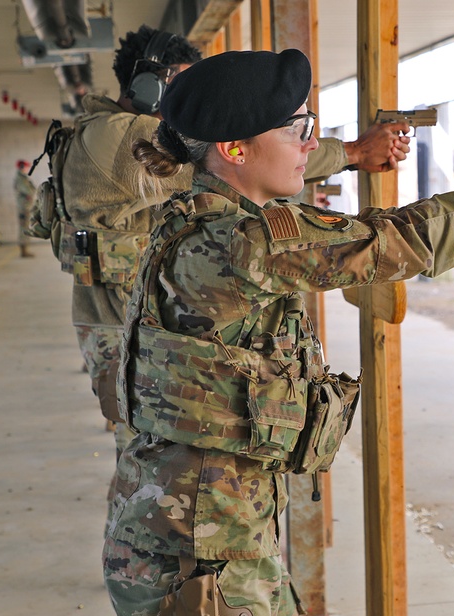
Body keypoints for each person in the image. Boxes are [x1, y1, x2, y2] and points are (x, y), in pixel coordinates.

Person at [105, 49, 454, 616]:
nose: (312, 143)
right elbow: (396, 242)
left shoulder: (188, 223)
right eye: (297, 128)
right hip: (205, 549)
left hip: (178, 528)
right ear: (236, 151)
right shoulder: (240, 242)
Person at [56, 25, 411, 506]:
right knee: (152, 449)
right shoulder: (115, 137)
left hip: (127, 311)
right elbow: (218, 154)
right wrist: (350, 153)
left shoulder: (100, 131)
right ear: (147, 86)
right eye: (180, 86)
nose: (191, 106)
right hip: (121, 321)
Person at [13, 159, 36, 258]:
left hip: (25, 206)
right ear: (22, 167)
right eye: (26, 166)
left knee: (25, 227)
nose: (28, 168)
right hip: (23, 207)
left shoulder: (23, 178)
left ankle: (25, 249)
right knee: (24, 228)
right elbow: (29, 191)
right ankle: (24, 250)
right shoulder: (21, 179)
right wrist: (30, 192)